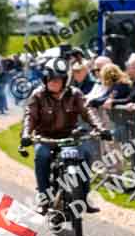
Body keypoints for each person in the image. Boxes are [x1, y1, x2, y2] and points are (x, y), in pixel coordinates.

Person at [21, 58, 112, 213]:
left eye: (58, 80)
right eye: (50, 80)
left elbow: (88, 111)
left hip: (70, 137)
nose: (54, 83)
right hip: (46, 138)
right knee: (41, 155)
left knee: (87, 152)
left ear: (65, 80)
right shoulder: (38, 95)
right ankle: (44, 199)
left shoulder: (75, 94)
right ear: (45, 79)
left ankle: (83, 197)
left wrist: (101, 128)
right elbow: (30, 116)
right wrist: (26, 135)